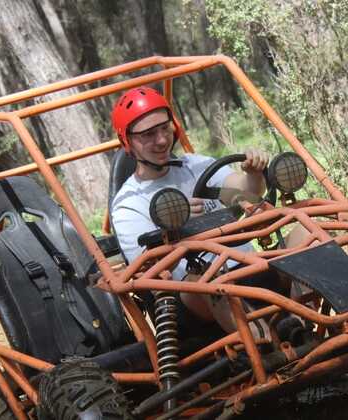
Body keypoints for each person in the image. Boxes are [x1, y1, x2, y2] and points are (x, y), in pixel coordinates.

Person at [110, 86, 293, 337]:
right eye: (149, 134)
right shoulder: (129, 204)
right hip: (195, 295)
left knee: (306, 233)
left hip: (249, 266)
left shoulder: (195, 165)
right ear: (127, 141)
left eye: (165, 128)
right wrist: (179, 229)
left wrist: (253, 173)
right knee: (211, 283)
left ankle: (322, 324)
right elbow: (149, 272)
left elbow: (245, 192)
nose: (162, 140)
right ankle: (269, 347)